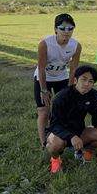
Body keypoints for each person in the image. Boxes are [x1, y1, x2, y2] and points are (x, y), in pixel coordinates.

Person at [45, 65, 97, 174]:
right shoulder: (61, 97)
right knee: (55, 145)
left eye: (90, 81)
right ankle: (55, 159)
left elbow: (96, 123)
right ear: (75, 80)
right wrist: (71, 136)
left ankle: (85, 151)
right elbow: (54, 125)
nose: (86, 84)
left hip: (79, 131)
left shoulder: (95, 95)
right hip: (59, 133)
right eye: (83, 79)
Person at [33, 13, 82, 148]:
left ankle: (64, 137)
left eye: (70, 28)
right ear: (55, 29)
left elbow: (73, 69)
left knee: (65, 109)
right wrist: (44, 90)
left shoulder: (76, 46)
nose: (66, 31)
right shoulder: (45, 44)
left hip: (62, 77)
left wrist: (70, 88)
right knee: (44, 110)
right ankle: (44, 143)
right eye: (62, 28)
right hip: (44, 77)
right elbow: (41, 68)